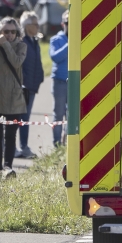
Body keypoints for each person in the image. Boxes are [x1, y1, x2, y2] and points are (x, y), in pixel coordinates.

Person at [0, 17, 27, 178]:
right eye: (5, 31)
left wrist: (6, 44)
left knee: (10, 135)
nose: (9, 35)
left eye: (12, 31)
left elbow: (16, 63)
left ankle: (8, 167)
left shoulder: (21, 46)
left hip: (14, 99)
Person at [16, 11, 43, 158]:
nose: (38, 26)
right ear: (27, 26)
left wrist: (39, 79)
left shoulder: (34, 41)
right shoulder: (21, 43)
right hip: (22, 88)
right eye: (35, 24)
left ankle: (23, 147)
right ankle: (17, 148)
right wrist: (23, 82)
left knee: (25, 119)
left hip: (32, 87)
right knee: (18, 118)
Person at [50, 10, 68, 147]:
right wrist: (70, 45)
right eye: (68, 23)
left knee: (72, 115)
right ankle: (56, 144)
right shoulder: (56, 39)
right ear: (63, 24)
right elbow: (55, 57)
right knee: (58, 114)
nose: (70, 26)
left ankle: (68, 143)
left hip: (74, 83)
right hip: (60, 82)